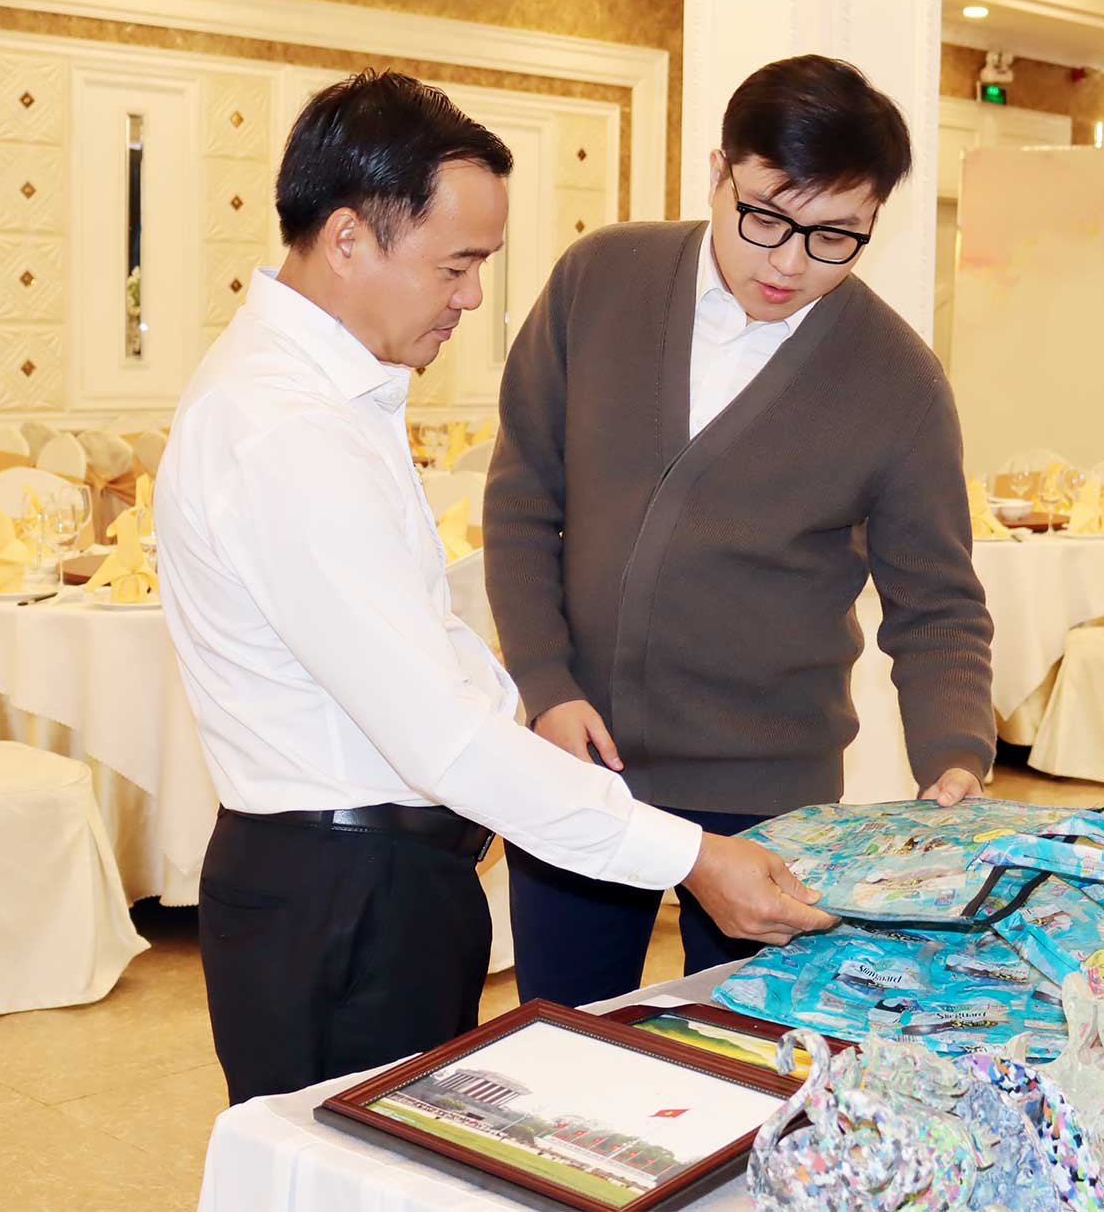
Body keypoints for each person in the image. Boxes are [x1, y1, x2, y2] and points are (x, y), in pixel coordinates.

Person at [156, 71, 832, 1106]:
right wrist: (688, 855)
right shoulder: (284, 427)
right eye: (457, 265)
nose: (472, 298)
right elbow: (441, 738)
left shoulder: (327, 394)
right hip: (345, 897)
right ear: (348, 239)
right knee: (366, 1167)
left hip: (379, 882)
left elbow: (424, 653)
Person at [485, 55, 996, 1009]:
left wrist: (955, 756)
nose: (789, 263)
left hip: (771, 793)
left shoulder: (899, 379)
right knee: (563, 1031)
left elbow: (937, 606)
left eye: (834, 236)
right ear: (719, 171)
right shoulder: (601, 280)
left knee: (744, 1046)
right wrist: (546, 686)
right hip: (578, 759)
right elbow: (521, 501)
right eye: (765, 216)